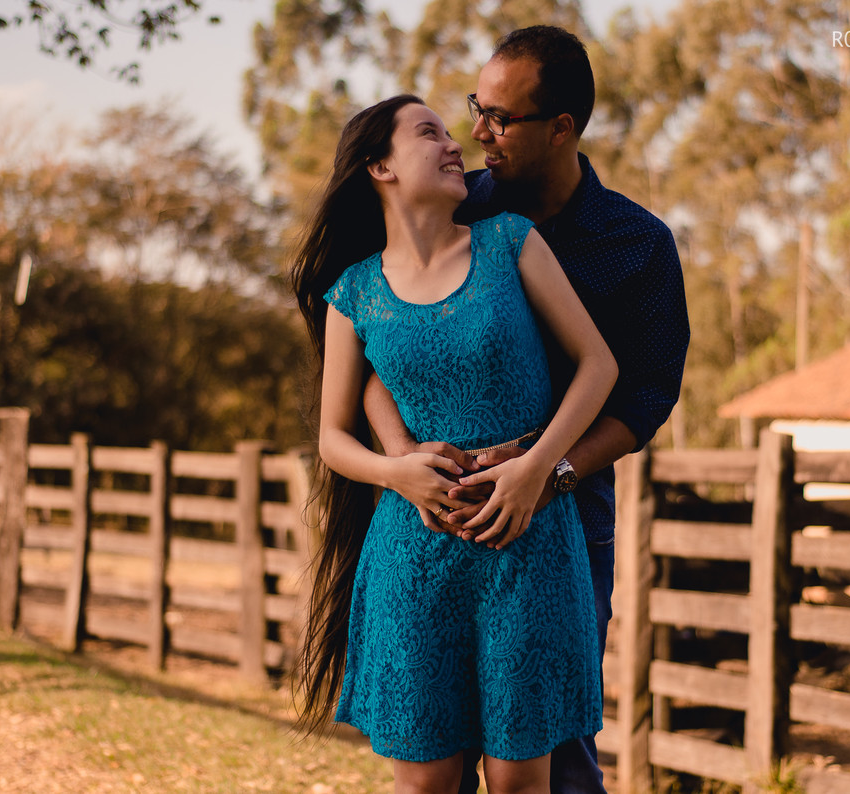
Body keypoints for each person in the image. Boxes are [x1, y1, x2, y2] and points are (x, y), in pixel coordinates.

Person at [363, 27, 690, 794]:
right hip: (436, 512)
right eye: (478, 108)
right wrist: (404, 458)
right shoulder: (457, 208)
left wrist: (552, 472)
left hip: (569, 512)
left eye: (500, 119)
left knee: (554, 748)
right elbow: (373, 332)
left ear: (563, 129)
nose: (478, 132)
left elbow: (644, 395)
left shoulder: (638, 246)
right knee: (436, 743)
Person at [290, 94, 619, 794]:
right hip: (414, 555)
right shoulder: (355, 294)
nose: (454, 145)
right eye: (429, 133)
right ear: (380, 164)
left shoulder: (510, 241)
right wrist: (397, 471)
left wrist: (538, 469)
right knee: (425, 783)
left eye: (449, 133)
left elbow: (600, 366)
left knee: (520, 782)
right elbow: (332, 439)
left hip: (525, 541)